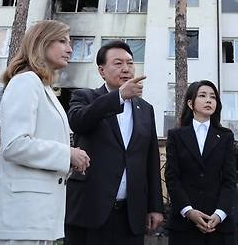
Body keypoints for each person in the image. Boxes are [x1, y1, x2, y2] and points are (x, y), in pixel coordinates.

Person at [0, 20, 90, 244]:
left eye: (69, 42)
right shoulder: (26, 81)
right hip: (21, 218)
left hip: (37, 217)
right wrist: (67, 154)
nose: (69, 49)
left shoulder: (42, 87)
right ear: (41, 43)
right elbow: (15, 145)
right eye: (62, 41)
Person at [65, 40, 164, 245]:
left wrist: (155, 206)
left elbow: (151, 160)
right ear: (102, 71)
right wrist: (118, 97)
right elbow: (79, 122)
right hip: (90, 210)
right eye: (118, 63)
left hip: (131, 215)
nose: (126, 69)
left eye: (130, 63)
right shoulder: (85, 96)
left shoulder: (145, 109)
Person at [164, 80, 237, 245]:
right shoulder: (176, 136)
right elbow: (172, 178)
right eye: (203, 95)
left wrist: (219, 214)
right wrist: (188, 211)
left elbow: (230, 180)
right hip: (184, 226)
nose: (209, 100)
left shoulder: (226, 136)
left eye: (213, 97)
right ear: (191, 103)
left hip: (219, 226)